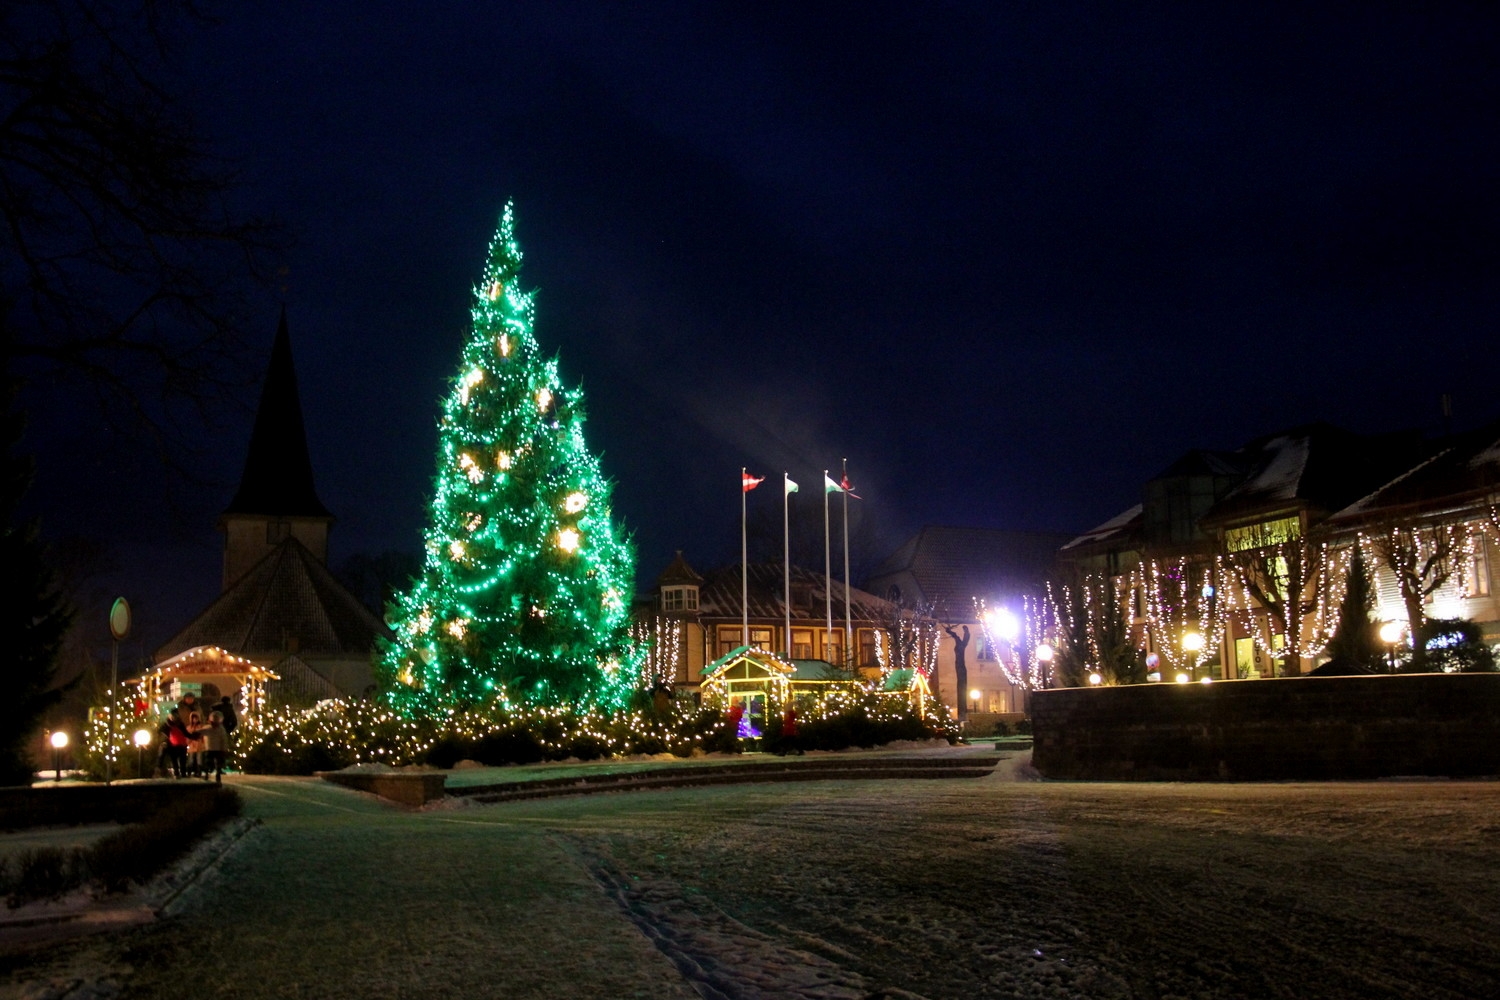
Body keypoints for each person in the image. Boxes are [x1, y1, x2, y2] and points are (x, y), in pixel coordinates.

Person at [200, 711, 230, 785]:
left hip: (214, 749)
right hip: (212, 748)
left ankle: (215, 775)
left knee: (214, 763)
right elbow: (224, 740)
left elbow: (224, 740)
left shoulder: (218, 729)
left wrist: (223, 748)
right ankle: (212, 775)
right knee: (210, 762)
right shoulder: (210, 728)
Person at [164, 708, 191, 778]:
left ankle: (179, 773)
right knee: (180, 760)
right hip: (179, 744)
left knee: (176, 760)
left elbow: (163, 733)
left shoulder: (168, 723)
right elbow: (186, 733)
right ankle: (181, 773)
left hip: (175, 744)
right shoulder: (178, 723)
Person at [185, 709, 205, 778]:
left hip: (199, 745)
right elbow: (187, 736)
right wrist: (188, 742)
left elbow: (203, 736)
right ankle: (189, 772)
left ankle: (198, 772)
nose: (195, 720)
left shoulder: (201, 727)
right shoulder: (189, 728)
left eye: (196, 718)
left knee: (199, 760)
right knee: (191, 760)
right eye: (193, 718)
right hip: (191, 746)